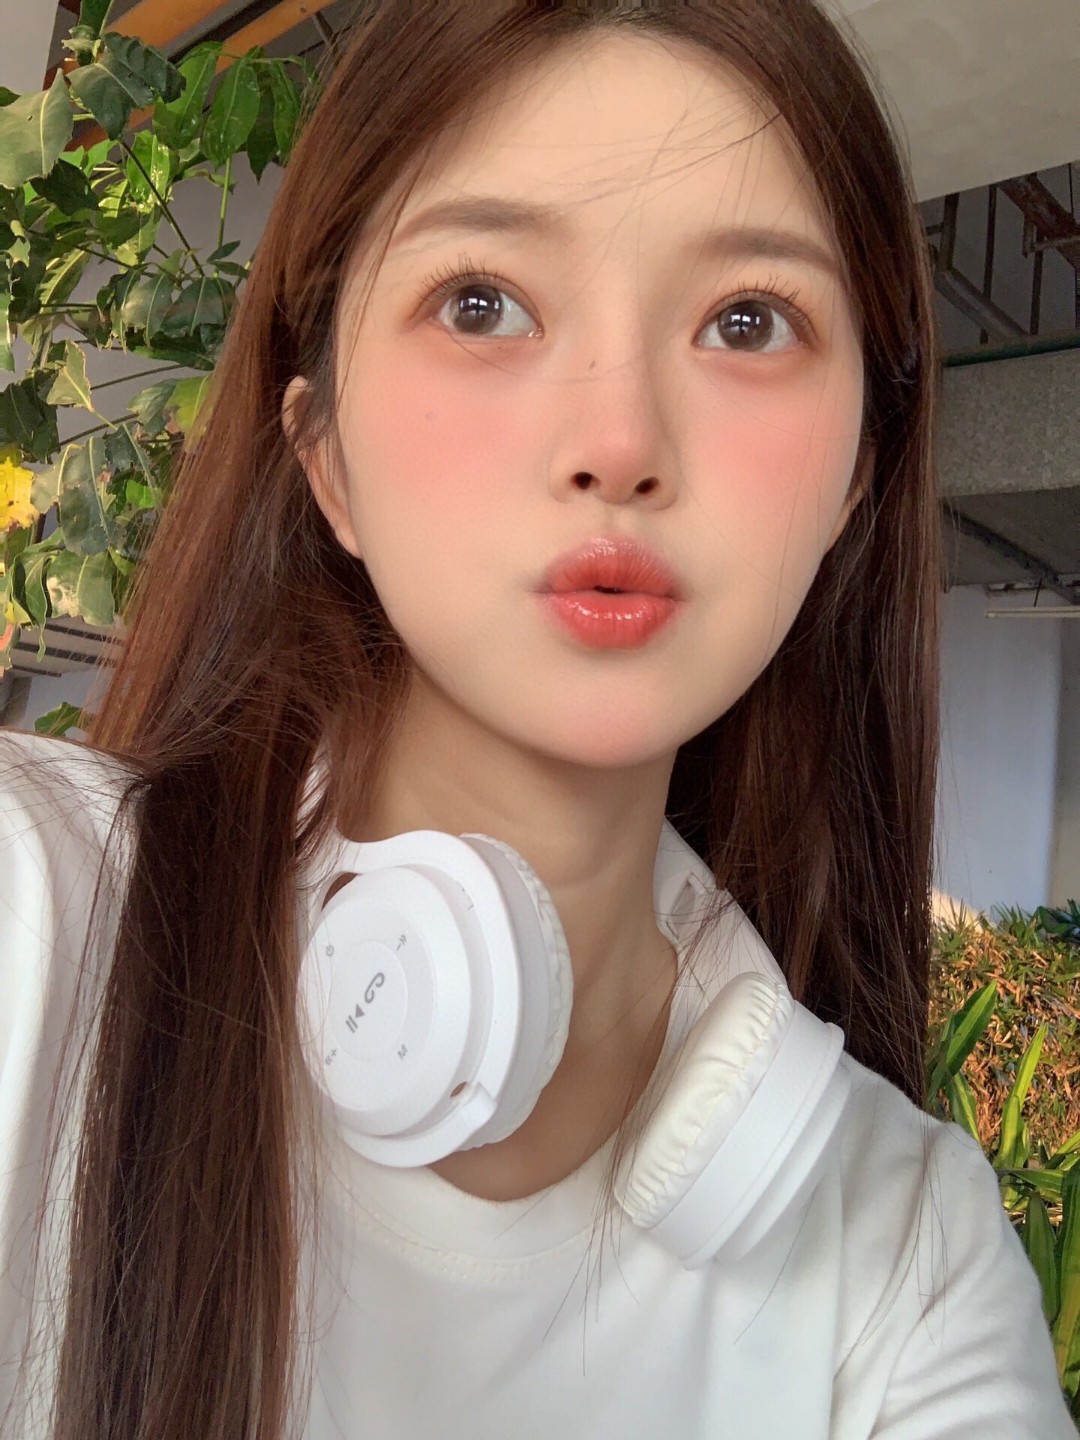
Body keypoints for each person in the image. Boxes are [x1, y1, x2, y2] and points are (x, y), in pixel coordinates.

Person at [1, 1, 1074, 1437]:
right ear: (325, 458)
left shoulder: (908, 1260)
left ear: (851, 489)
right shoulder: (36, 920)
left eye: (746, 321)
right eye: (481, 303)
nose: (618, 444)